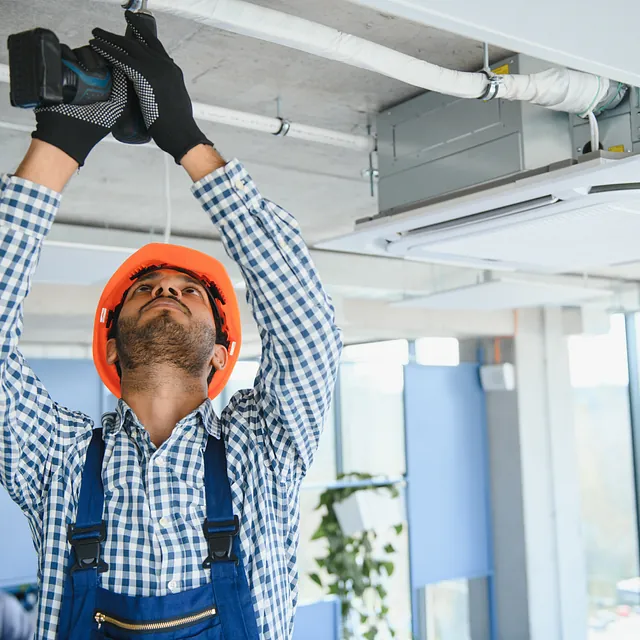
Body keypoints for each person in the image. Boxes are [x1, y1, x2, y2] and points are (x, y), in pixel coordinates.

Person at [0, 11, 342, 640]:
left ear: (219, 354)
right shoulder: (56, 457)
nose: (164, 289)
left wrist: (72, 142)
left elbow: (309, 330)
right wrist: (167, 142)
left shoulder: (264, 450)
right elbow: (310, 327)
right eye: (149, 289)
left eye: (188, 292)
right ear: (111, 343)